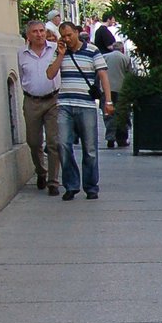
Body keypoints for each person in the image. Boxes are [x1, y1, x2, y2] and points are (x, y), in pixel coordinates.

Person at [54, 21, 113, 201]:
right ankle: (71, 185)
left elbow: (103, 75)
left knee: (90, 148)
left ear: (77, 33)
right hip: (64, 103)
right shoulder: (60, 53)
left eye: (69, 35)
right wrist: (60, 55)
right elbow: (50, 74)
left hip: (86, 105)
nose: (67, 39)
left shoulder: (92, 50)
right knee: (63, 144)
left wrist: (108, 101)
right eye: (63, 36)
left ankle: (91, 186)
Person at [17, 20, 63, 195]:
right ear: (28, 36)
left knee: (54, 141)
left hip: (53, 100)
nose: (39, 34)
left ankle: (53, 181)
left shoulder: (55, 49)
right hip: (32, 101)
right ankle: (41, 171)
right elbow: (22, 76)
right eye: (35, 32)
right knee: (34, 141)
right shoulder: (21, 53)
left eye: (42, 30)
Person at [100, 40, 135, 149]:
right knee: (122, 114)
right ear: (122, 49)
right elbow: (130, 75)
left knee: (108, 115)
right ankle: (121, 139)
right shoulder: (126, 58)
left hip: (106, 90)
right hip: (121, 90)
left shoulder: (104, 57)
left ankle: (110, 137)